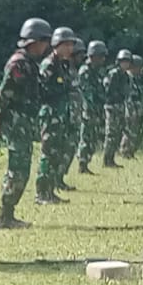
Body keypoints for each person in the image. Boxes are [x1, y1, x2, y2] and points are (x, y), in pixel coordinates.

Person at [0, 17, 50, 229]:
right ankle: (5, 215)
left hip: (24, 121)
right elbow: (3, 95)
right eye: (44, 41)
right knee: (18, 169)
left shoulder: (29, 63)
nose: (46, 47)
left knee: (21, 167)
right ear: (34, 41)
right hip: (15, 122)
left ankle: (8, 214)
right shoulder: (19, 63)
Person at [35, 26, 78, 205]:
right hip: (50, 115)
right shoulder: (49, 64)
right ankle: (42, 193)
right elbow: (43, 91)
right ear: (56, 45)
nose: (69, 48)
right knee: (48, 153)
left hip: (62, 115)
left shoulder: (64, 65)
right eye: (65, 44)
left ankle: (50, 190)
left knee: (57, 153)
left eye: (71, 45)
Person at [57, 37, 85, 192]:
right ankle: (53, 181)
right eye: (79, 54)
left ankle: (59, 178)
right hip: (64, 116)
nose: (82, 58)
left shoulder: (72, 70)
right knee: (60, 148)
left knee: (70, 148)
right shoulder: (62, 68)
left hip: (74, 115)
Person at [77, 40, 108, 174]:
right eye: (100, 56)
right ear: (93, 56)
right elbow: (87, 94)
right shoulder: (85, 71)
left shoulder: (97, 72)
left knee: (93, 139)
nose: (103, 59)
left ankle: (86, 163)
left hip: (96, 110)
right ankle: (82, 164)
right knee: (86, 138)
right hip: (87, 111)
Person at [103, 49, 134, 168]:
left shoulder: (126, 76)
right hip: (111, 105)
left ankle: (111, 158)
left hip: (120, 105)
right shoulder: (113, 74)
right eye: (123, 61)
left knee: (118, 133)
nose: (125, 64)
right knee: (111, 133)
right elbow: (108, 90)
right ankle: (107, 160)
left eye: (127, 61)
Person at [121, 54, 143, 158]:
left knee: (139, 130)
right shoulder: (127, 77)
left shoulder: (139, 78)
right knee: (129, 129)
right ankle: (125, 151)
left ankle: (131, 151)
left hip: (138, 105)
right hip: (129, 105)